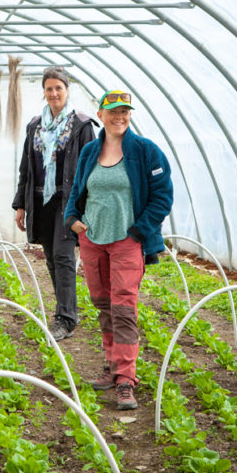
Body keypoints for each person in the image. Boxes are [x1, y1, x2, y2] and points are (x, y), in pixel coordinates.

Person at [64, 90, 173, 410]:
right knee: (103, 304)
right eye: (113, 111)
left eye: (124, 111)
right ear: (101, 115)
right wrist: (72, 219)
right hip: (92, 240)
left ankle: (126, 378)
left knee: (124, 308)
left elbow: (163, 195)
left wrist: (140, 230)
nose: (119, 117)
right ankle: (112, 366)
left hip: (127, 242)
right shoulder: (89, 152)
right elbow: (77, 189)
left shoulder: (145, 151)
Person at [12, 67, 98, 341]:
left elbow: (89, 170)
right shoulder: (35, 125)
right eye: (49, 89)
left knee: (63, 256)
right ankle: (63, 312)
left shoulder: (81, 126)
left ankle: (66, 318)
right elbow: (26, 168)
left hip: (67, 200)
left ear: (67, 90)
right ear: (44, 92)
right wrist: (20, 205)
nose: (53, 93)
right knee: (51, 258)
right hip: (40, 200)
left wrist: (85, 208)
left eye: (58, 88)